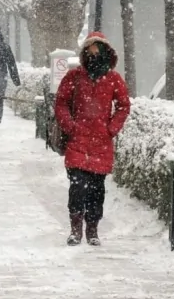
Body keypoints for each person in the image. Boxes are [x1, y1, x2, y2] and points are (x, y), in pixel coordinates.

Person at [54, 32, 130, 247]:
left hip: (101, 143)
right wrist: (70, 126)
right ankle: (75, 229)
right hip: (78, 141)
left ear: (105, 53)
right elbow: (60, 102)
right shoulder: (75, 77)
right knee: (77, 187)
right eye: (90, 51)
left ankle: (93, 229)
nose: (94, 55)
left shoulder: (114, 79)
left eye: (98, 51)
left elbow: (124, 106)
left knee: (97, 189)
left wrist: (111, 128)